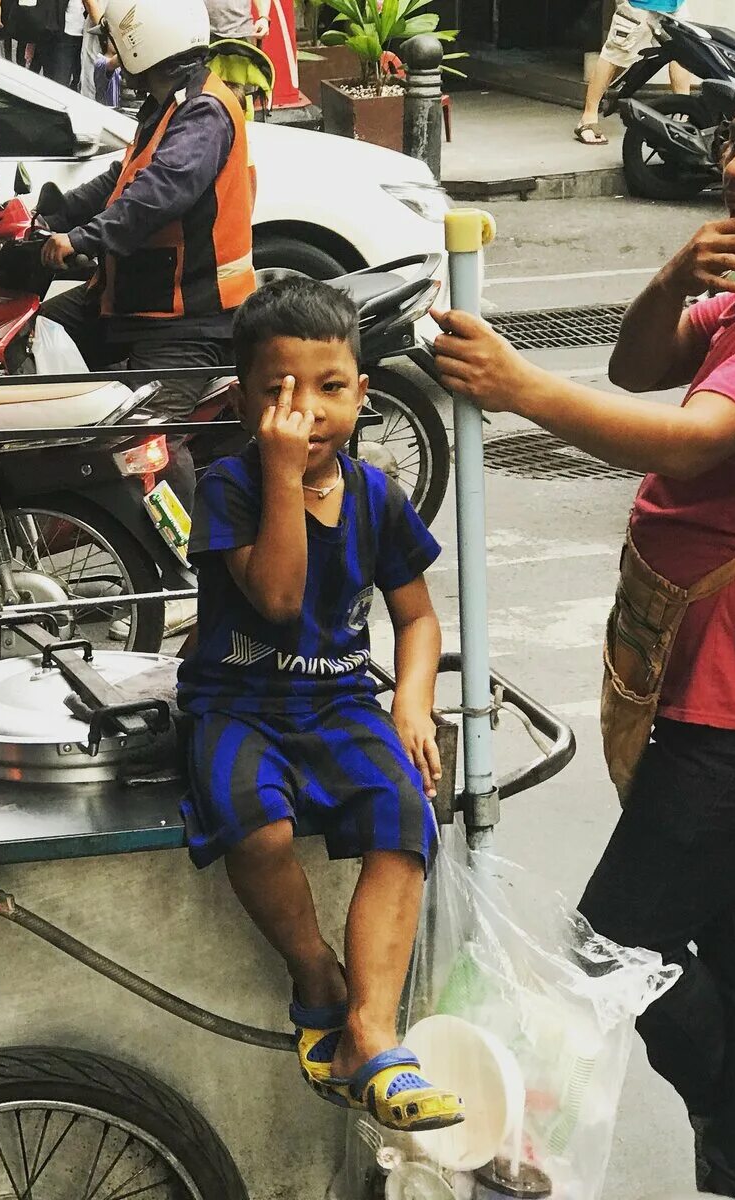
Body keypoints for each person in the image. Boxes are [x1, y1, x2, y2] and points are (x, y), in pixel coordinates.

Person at [432, 46, 735, 1200]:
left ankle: (734, 1131)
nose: (733, 167)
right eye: (732, 142)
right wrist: (676, 270)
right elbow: (640, 362)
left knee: (605, 954)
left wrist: (516, 389)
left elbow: (695, 439)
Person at [176, 275, 462, 1133]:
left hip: (338, 702)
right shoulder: (229, 486)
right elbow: (277, 595)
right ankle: (316, 975)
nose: (308, 411)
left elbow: (415, 618)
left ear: (363, 393)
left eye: (331, 389)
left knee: (404, 813)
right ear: (245, 404)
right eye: (280, 392)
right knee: (253, 826)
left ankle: (372, 1033)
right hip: (236, 701)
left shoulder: (377, 494)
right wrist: (279, 470)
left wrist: (412, 702)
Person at [35, 0, 256, 499]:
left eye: (115, 44)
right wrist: (57, 214)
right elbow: (124, 178)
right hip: (136, 299)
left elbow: (159, 193)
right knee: (39, 332)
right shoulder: (169, 104)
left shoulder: (203, 113)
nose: (110, 55)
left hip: (188, 318)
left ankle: (186, 558)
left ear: (142, 46)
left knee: (148, 436)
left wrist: (81, 240)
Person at [576, 0, 692, 147]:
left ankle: (683, 117)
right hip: (638, 5)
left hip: (676, 5)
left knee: (683, 54)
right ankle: (588, 118)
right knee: (615, 54)